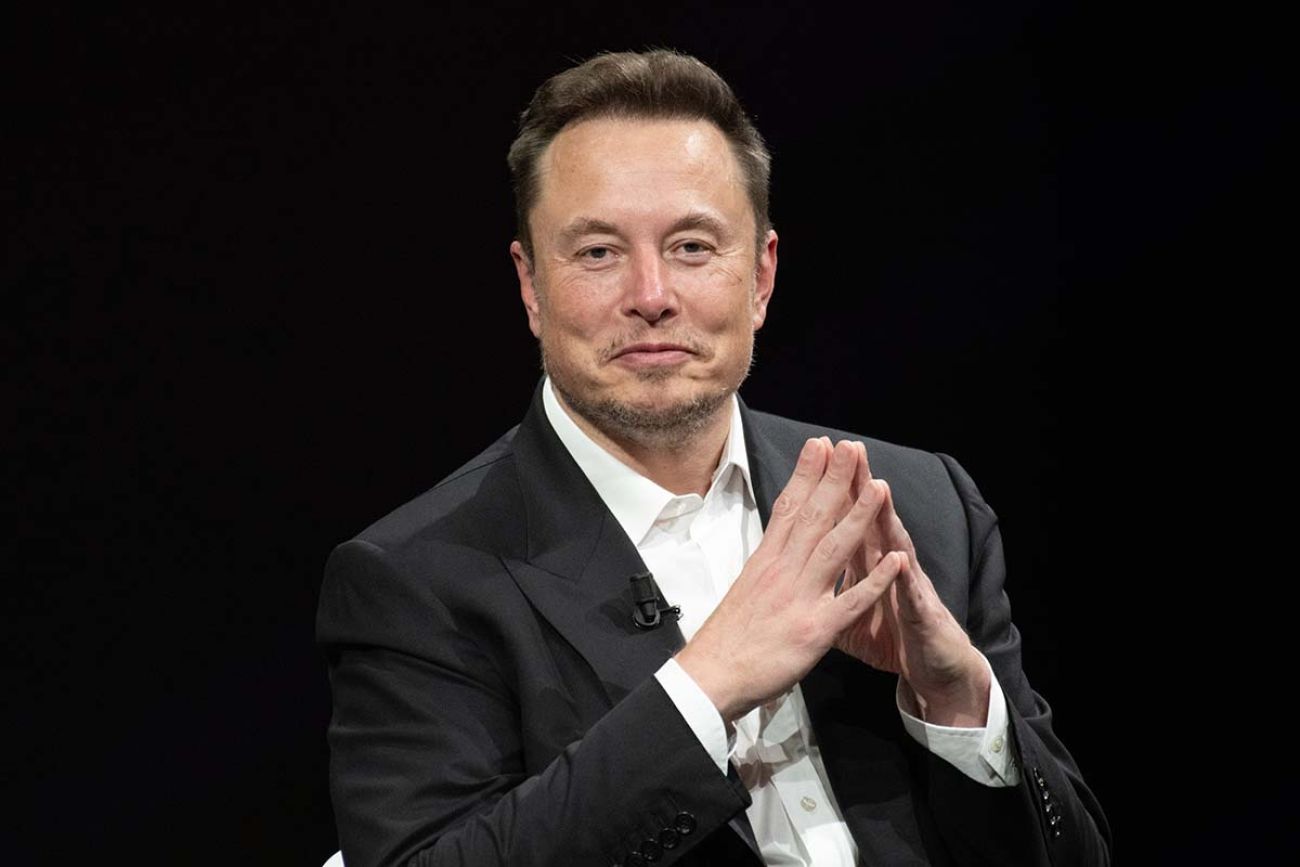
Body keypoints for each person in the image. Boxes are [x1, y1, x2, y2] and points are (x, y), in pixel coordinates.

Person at [318, 49, 1111, 866]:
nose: (652, 292)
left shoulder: (917, 501)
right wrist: (705, 684)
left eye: (693, 246)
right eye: (597, 252)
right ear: (530, 285)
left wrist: (956, 704)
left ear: (761, 275)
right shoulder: (416, 578)